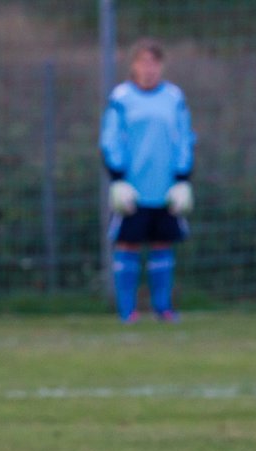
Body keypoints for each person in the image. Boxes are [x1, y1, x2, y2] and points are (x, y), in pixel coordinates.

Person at [100, 38, 197, 323]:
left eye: (154, 63)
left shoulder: (174, 98)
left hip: (166, 188)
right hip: (132, 188)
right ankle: (127, 310)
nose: (149, 69)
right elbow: (110, 140)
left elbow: (184, 138)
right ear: (133, 66)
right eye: (143, 62)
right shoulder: (121, 98)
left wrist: (183, 179)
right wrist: (117, 179)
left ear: (161, 66)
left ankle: (163, 308)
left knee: (162, 244)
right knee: (128, 245)